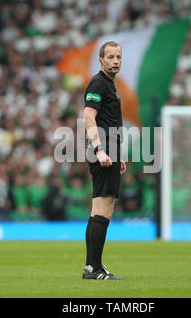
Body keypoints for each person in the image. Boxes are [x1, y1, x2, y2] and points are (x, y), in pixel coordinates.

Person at [82, 41, 126, 280]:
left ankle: (92, 266)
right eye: (110, 57)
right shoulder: (99, 82)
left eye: (118, 56)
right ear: (101, 60)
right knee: (103, 210)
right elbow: (89, 116)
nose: (115, 60)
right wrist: (99, 149)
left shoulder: (109, 84)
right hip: (103, 151)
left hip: (110, 151)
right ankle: (95, 268)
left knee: (98, 210)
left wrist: (118, 154)